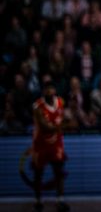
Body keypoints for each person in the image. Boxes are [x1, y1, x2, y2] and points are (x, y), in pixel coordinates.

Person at [31, 81, 68, 212]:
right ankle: (38, 201)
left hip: (56, 143)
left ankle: (60, 200)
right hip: (41, 143)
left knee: (59, 172)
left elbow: (64, 118)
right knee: (38, 173)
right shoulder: (37, 106)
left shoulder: (61, 102)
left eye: (51, 88)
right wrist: (64, 125)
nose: (49, 91)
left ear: (55, 90)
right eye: (47, 89)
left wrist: (65, 122)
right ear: (43, 91)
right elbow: (45, 127)